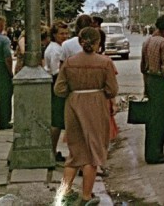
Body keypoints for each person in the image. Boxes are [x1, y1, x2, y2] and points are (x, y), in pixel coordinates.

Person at [54, 27, 118, 206]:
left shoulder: (69, 62)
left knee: (75, 152)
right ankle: (86, 196)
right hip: (96, 105)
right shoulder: (105, 62)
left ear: (80, 42)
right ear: (98, 43)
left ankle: (62, 195)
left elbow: (59, 89)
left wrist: (74, 93)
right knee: (93, 153)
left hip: (73, 105)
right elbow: (112, 89)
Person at [140, 14, 164, 165]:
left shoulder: (147, 41)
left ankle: (151, 151)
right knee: (161, 119)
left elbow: (143, 67)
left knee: (152, 119)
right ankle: (156, 153)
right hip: (161, 83)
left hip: (150, 80)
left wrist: (146, 87)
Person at [44, 21, 71, 162]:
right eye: (61, 34)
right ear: (54, 34)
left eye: (66, 33)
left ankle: (52, 151)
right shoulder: (55, 50)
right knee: (57, 120)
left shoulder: (58, 47)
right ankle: (52, 152)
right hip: (56, 84)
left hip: (56, 83)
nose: (64, 36)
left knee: (58, 120)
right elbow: (56, 72)